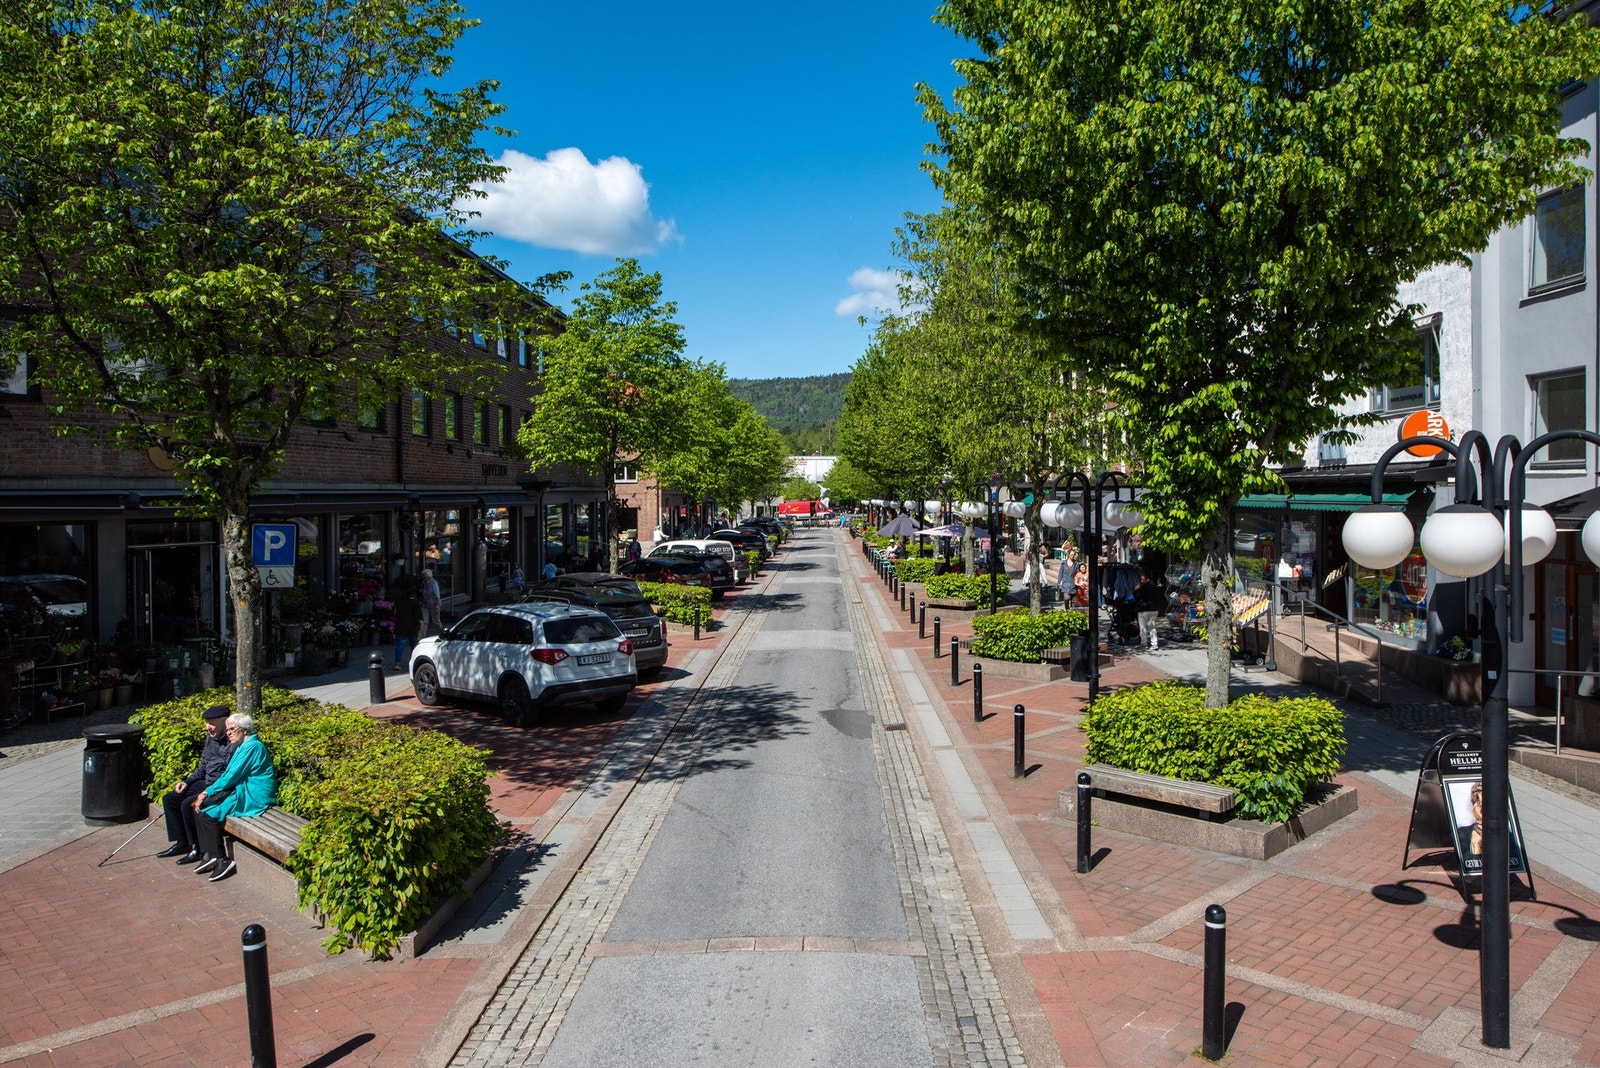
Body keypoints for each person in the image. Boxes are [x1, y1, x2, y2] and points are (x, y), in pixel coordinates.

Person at [191, 713, 276, 883]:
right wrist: (208, 792)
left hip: (253, 795)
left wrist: (207, 792)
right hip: (241, 789)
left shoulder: (252, 747)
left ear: (244, 730)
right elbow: (229, 774)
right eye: (227, 729)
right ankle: (210, 855)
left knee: (208, 814)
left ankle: (222, 859)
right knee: (199, 808)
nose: (228, 733)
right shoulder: (242, 746)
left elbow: (232, 775)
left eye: (232, 729)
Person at [156, 704, 236, 864]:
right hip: (205, 781)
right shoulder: (210, 737)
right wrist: (187, 782)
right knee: (171, 798)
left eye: (211, 723)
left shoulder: (233, 741)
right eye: (206, 722)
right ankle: (182, 842)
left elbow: (229, 775)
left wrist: (208, 791)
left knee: (188, 805)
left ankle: (198, 848)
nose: (207, 727)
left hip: (217, 786)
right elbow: (203, 765)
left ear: (224, 722)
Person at [392, 577, 421, 670]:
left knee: (400, 645)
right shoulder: (415, 603)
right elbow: (419, 617)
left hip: (401, 625)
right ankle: (416, 662)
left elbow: (394, 612)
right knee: (414, 645)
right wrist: (421, 625)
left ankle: (397, 663)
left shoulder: (398, 601)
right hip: (412, 626)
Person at [1131, 574, 1165, 650]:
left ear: (1147, 579)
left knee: (1143, 627)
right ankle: (1154, 644)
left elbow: (1136, 597)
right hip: (1153, 609)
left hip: (1143, 609)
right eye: (1141, 579)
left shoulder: (1141, 588)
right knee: (1152, 627)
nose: (1141, 581)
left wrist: (1135, 590)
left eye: (1143, 579)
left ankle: (1144, 643)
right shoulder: (1154, 588)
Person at [419, 568, 442, 636]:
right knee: (424, 621)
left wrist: (437, 607)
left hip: (433, 605)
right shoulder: (423, 583)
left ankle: (442, 633)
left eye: (424, 575)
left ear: (429, 576)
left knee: (436, 621)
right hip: (425, 605)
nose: (423, 577)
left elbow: (437, 597)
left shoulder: (434, 584)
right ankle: (421, 637)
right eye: (423, 575)